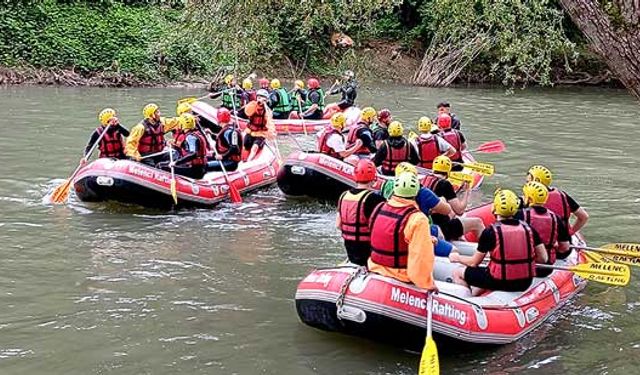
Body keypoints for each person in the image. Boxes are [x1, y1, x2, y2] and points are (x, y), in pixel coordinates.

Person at [450, 190, 548, 295]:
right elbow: (543, 258)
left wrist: (457, 258)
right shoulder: (529, 229)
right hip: (525, 282)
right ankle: (476, 295)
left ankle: (467, 304)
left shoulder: (490, 232)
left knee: (458, 272)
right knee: (486, 271)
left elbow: (474, 262)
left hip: (500, 281)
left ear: (495, 209)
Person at [368, 172, 436, 290]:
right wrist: (428, 285)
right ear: (416, 193)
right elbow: (420, 259)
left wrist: (427, 239)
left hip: (374, 268)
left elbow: (388, 236)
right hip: (400, 276)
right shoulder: (418, 219)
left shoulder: (378, 208)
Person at [379, 162, 456, 257]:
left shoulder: (385, 188)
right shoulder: (423, 195)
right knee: (453, 250)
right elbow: (447, 211)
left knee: (436, 230)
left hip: (392, 234)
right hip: (413, 238)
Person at [422, 156, 484, 240]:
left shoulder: (424, 180)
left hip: (428, 225)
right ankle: (486, 250)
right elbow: (460, 211)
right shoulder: (445, 184)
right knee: (477, 222)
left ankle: (461, 240)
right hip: (442, 228)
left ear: (433, 169)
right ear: (448, 172)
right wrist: (467, 192)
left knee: (452, 214)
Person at [337, 159, 386, 265]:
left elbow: (338, 225)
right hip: (369, 251)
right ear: (374, 178)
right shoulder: (375, 199)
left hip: (350, 250)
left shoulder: (343, 196)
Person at [516, 181, 571, 277]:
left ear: (529, 199)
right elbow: (565, 247)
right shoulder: (555, 217)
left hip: (523, 267)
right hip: (546, 268)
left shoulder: (519, 215)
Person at [527, 165, 589, 235]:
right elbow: (584, 217)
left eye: (527, 182)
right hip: (564, 239)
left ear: (536, 181)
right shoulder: (563, 195)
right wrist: (570, 233)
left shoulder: (529, 198)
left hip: (542, 241)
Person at [160, 113, 207, 179]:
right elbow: (186, 149)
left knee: (160, 165)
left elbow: (193, 154)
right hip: (200, 167)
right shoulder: (197, 133)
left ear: (182, 125)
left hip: (194, 170)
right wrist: (174, 146)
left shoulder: (190, 137)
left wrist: (176, 162)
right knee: (168, 162)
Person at [243, 89, 275, 160]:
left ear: (266, 100)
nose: (260, 99)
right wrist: (255, 104)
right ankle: (243, 158)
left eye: (262, 97)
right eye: (258, 97)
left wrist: (271, 134)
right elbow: (247, 112)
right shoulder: (253, 105)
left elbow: (269, 123)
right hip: (250, 131)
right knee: (245, 145)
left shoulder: (267, 110)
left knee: (255, 147)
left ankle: (249, 161)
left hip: (260, 133)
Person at [207, 108, 242, 172]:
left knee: (205, 166)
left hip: (230, 162)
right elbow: (222, 140)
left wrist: (222, 156)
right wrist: (211, 134)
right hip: (226, 159)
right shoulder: (227, 129)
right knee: (204, 159)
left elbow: (234, 148)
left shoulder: (229, 131)